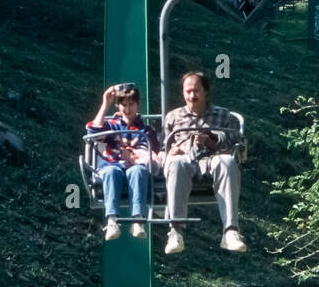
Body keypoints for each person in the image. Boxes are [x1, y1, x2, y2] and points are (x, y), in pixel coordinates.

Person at [163, 71, 246, 255]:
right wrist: (170, 151)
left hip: (213, 158)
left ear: (206, 92)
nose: (192, 96)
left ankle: (230, 231)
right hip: (186, 159)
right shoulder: (173, 117)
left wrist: (212, 140)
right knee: (175, 163)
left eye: (197, 91)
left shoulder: (222, 115)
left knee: (226, 161)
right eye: (188, 91)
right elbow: (162, 148)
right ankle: (175, 231)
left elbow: (235, 142)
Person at [86, 84, 161, 242]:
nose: (128, 109)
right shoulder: (112, 126)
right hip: (113, 165)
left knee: (138, 171)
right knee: (111, 172)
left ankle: (138, 219)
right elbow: (92, 132)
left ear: (137, 104)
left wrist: (134, 157)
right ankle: (112, 220)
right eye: (124, 105)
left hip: (136, 167)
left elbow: (153, 153)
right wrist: (105, 103)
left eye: (131, 104)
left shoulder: (146, 131)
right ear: (118, 107)